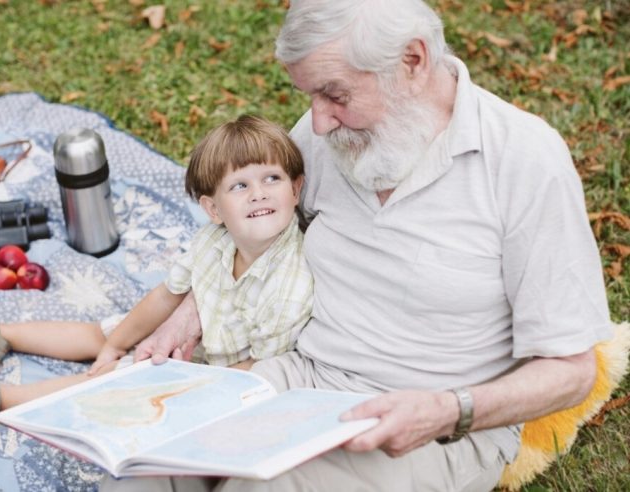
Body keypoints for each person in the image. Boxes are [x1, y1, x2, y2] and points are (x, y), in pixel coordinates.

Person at [107, 1, 613, 490]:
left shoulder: (523, 160)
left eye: (336, 95)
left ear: (412, 61)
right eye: (310, 96)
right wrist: (197, 304)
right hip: (301, 375)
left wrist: (449, 409)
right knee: (148, 458)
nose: (319, 121)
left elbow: (571, 372)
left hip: (432, 426)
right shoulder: (328, 132)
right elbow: (265, 232)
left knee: (267, 485)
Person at [0, 115, 313, 429]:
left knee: (105, 383)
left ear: (296, 190)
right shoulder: (213, 241)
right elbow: (166, 295)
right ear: (214, 211)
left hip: (207, 369)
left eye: (272, 179)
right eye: (240, 185)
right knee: (102, 332)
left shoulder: (289, 286)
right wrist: (115, 343)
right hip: (190, 335)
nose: (258, 193)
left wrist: (163, 378)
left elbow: (256, 373)